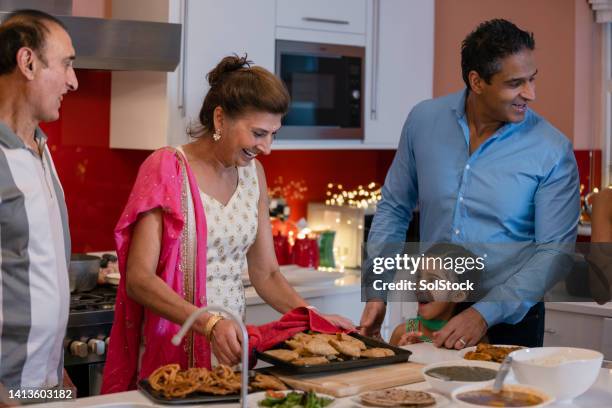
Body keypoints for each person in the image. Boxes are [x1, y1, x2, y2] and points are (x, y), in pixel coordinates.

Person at [102, 55, 353, 393]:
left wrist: (311, 317)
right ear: (220, 117)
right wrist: (210, 323)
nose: (266, 148)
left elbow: (267, 274)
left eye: (274, 135)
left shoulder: (254, 176)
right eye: (258, 133)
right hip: (174, 348)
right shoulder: (167, 168)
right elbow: (139, 279)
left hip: (230, 349)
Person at [361, 19, 579, 349]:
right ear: (477, 81)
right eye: (515, 83)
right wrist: (377, 290)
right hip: (433, 304)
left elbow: (554, 253)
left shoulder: (551, 149)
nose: (530, 94)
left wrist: (482, 314)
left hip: (509, 321)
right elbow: (394, 208)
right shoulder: (424, 120)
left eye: (532, 80)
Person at [0, 9, 78, 390]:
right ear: (27, 62)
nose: (73, 81)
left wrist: (55, 363)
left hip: (42, 380)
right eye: (65, 64)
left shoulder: (40, 149)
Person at [389, 244, 477, 346]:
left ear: (458, 295)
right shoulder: (401, 332)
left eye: (433, 281)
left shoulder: (469, 338)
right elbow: (386, 360)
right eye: (418, 277)